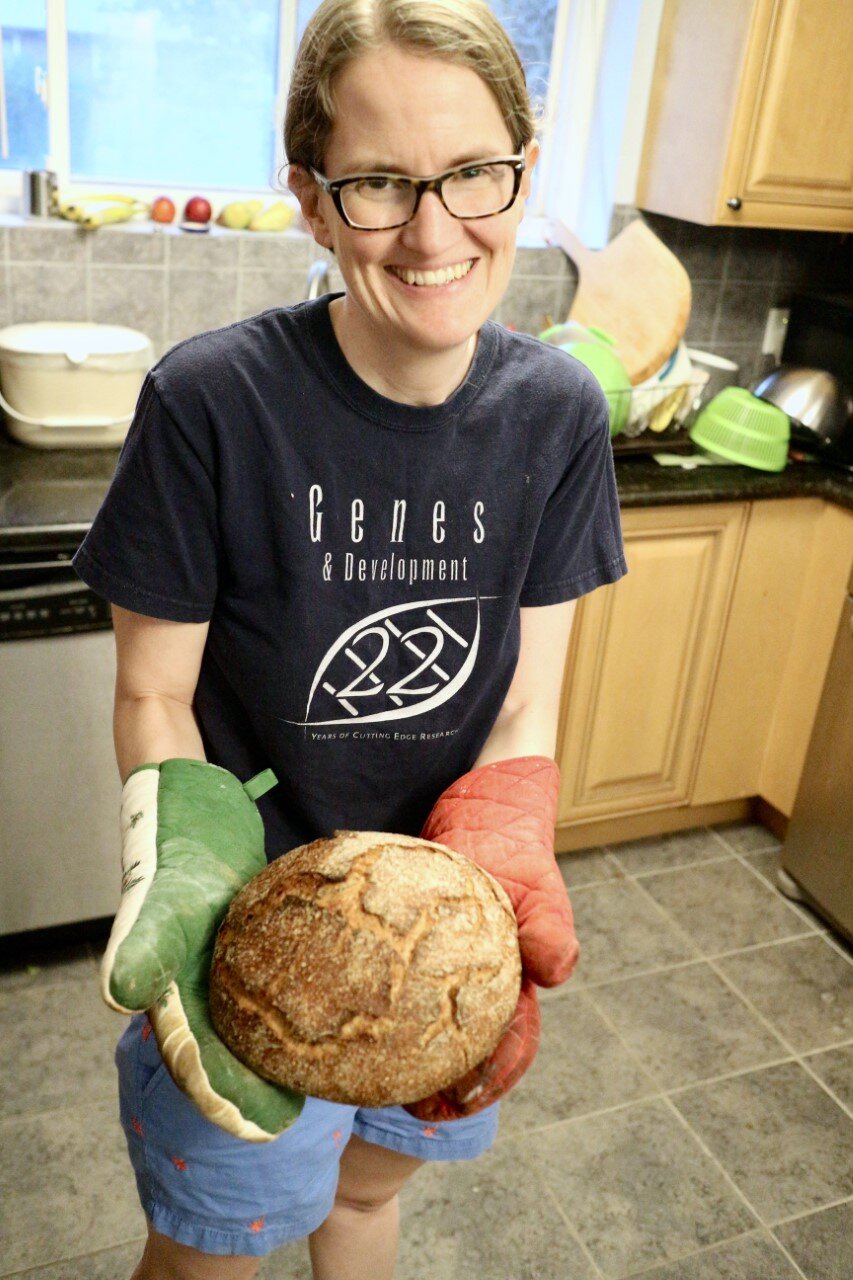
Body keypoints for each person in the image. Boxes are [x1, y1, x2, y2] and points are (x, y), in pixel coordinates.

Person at [72, 1, 627, 1276]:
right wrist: (197, 883)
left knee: (366, 1199)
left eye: (473, 174)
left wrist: (504, 836)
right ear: (312, 202)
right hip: (252, 963)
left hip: (442, 953)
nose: (435, 232)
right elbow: (155, 693)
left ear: (522, 172)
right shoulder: (212, 401)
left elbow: (524, 702)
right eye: (378, 183)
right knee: (219, 1240)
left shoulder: (555, 414)